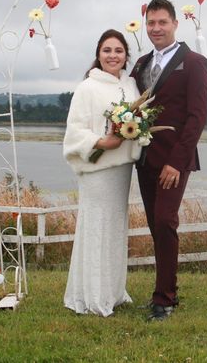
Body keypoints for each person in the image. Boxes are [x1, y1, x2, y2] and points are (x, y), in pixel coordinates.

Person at [131, 0, 207, 321]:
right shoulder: (140, 65)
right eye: (151, 23)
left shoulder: (193, 63)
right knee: (155, 225)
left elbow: (197, 118)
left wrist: (176, 162)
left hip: (174, 161)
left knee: (165, 220)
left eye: (162, 22)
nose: (156, 28)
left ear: (176, 24)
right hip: (144, 158)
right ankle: (167, 289)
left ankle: (164, 297)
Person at [62, 28, 141, 316]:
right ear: (98, 54)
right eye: (107, 50)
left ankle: (112, 291)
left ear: (126, 55)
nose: (113, 56)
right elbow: (74, 131)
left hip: (121, 170)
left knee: (115, 228)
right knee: (96, 227)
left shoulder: (131, 86)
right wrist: (101, 142)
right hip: (97, 170)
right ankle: (92, 296)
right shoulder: (87, 87)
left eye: (118, 51)